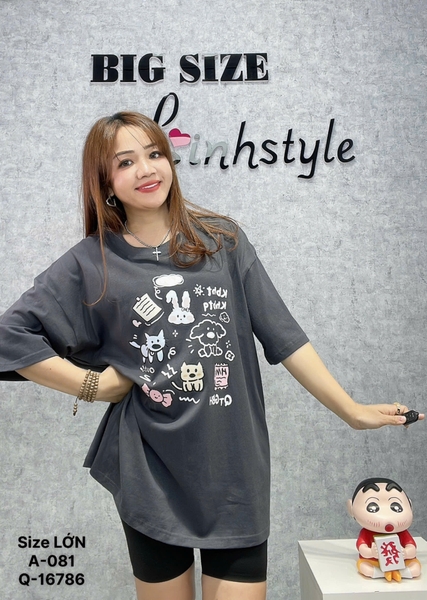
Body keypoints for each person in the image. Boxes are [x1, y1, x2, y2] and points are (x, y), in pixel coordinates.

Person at [0, 111, 423, 600]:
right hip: (149, 467)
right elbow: (10, 336)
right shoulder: (92, 261)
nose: (146, 169)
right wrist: (91, 385)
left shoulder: (223, 241)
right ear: (106, 182)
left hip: (233, 465)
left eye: (155, 154)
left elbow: (284, 336)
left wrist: (350, 410)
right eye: (125, 162)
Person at [347, 477, 421, 582]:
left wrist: (406, 552)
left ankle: (401, 572)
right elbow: (362, 549)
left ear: (410, 505)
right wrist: (371, 552)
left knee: (416, 568)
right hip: (374, 561)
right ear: (351, 508)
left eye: (396, 507)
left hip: (402, 562)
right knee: (364, 567)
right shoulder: (366, 533)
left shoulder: (402, 533)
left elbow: (412, 548)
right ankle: (380, 572)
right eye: (372, 507)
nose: (387, 516)